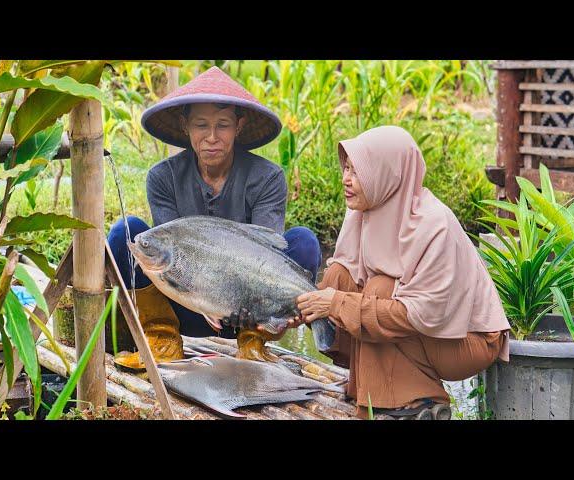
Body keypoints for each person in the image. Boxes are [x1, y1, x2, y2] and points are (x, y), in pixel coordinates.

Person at [108, 66, 321, 365]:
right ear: (186, 126)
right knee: (124, 233)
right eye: (201, 125)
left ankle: (253, 344)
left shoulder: (268, 177)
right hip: (185, 303)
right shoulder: (162, 176)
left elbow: (266, 254)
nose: (211, 137)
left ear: (239, 126)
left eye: (222, 125)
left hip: (251, 307)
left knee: (303, 241)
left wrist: (247, 303)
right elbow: (167, 260)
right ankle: (161, 339)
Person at [295, 126, 511, 420]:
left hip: (465, 340)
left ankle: (415, 399)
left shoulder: (433, 224)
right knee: (337, 277)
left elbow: (421, 314)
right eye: (346, 169)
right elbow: (342, 288)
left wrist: (335, 303)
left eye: (357, 172)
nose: (346, 180)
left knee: (377, 291)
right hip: (423, 328)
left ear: (388, 174)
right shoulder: (364, 212)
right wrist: (307, 306)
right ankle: (372, 388)